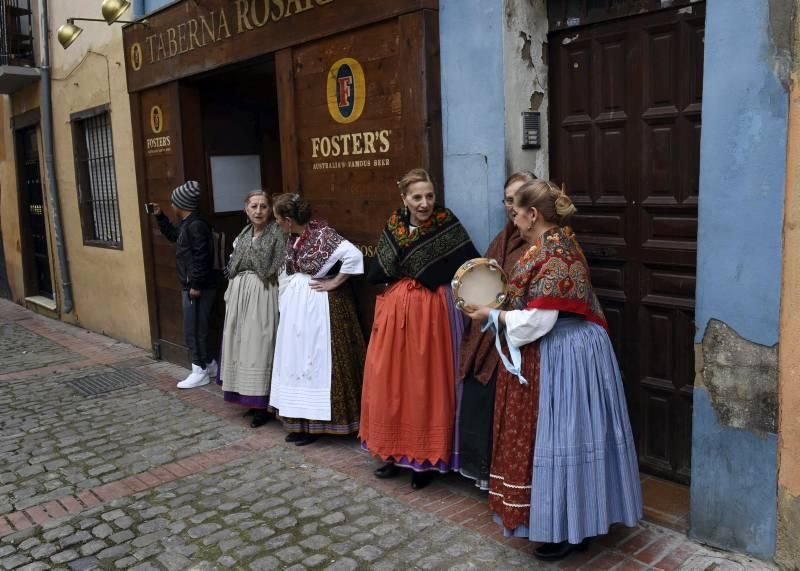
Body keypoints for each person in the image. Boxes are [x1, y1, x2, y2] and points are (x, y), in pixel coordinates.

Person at [463, 179, 642, 561]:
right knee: (570, 438)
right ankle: (572, 522)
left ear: (534, 215)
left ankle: (571, 530)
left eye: (518, 213)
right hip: (567, 350)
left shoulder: (555, 254)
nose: (514, 219)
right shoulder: (552, 244)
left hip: (564, 354)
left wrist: (491, 315)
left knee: (565, 439)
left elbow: (537, 323)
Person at [360, 168, 480, 490]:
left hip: (436, 312)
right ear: (404, 199)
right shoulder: (395, 226)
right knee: (390, 381)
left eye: (429, 196)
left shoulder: (447, 224)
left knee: (425, 384)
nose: (424, 203)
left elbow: (469, 266)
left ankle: (424, 459)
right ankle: (392, 451)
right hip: (398, 314)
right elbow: (381, 269)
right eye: (417, 197)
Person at [456, 171, 536, 491]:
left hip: (520, 335)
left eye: (519, 198)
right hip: (490, 329)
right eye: (508, 199)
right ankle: (481, 470)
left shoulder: (542, 243)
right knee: (478, 396)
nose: (512, 206)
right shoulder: (503, 238)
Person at [268, 193, 366, 446]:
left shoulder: (323, 234)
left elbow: (354, 255)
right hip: (298, 307)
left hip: (318, 307)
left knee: (317, 360)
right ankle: (300, 422)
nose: (277, 224)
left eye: (278, 220)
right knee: (296, 360)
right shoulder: (296, 237)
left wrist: (334, 281)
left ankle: (320, 424)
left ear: (289, 220)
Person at [217, 191, 285, 428]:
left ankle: (262, 404)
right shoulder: (243, 235)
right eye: (254, 206)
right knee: (241, 345)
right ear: (246, 209)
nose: (258, 211)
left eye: (264, 206)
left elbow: (280, 268)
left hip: (263, 292)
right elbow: (234, 263)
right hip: (239, 293)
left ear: (270, 210)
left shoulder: (278, 234)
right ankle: (246, 397)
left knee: (259, 346)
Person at [151, 180, 217, 389]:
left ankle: (199, 369)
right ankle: (209, 364)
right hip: (194, 285)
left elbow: (201, 257)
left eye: (173, 202)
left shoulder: (196, 225)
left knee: (194, 328)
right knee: (198, 326)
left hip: (198, 287)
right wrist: (160, 216)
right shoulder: (189, 224)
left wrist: (195, 285)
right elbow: (174, 236)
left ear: (182, 204)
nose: (172, 205)